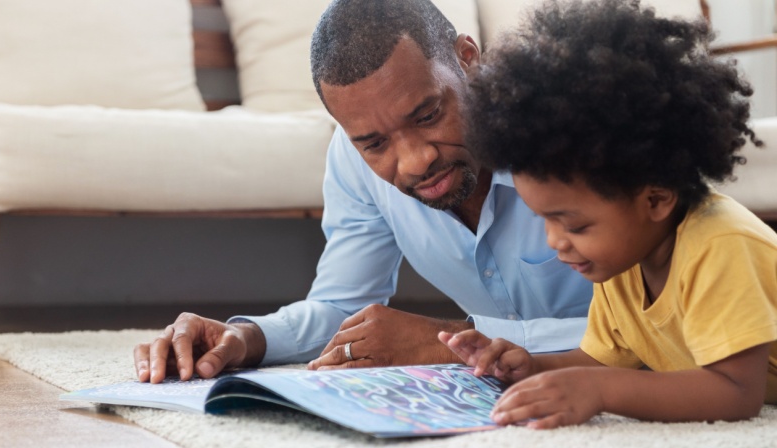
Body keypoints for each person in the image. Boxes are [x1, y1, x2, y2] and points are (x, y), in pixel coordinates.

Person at [133, 0, 593, 383]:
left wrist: (448, 342)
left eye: (428, 115)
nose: (416, 161)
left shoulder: (582, 135)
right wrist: (252, 338)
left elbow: (658, 325)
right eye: (374, 143)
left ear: (467, 59)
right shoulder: (352, 157)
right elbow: (342, 307)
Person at [440, 0, 777, 430]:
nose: (555, 242)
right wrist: (529, 365)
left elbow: (736, 392)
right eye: (544, 219)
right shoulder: (623, 259)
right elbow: (596, 359)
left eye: (575, 224)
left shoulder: (722, 245)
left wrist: (598, 389)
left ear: (656, 199)